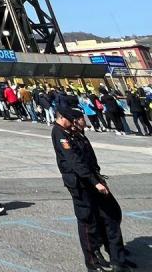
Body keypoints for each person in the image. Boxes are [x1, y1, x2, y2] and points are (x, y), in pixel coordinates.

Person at [52, 108, 133, 271]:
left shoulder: (74, 133)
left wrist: (97, 179)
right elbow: (75, 161)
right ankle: (93, 260)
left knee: (109, 215)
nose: (81, 122)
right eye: (78, 119)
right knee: (88, 221)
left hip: (90, 179)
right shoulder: (60, 133)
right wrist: (94, 182)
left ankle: (116, 255)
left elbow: (87, 159)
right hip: (80, 183)